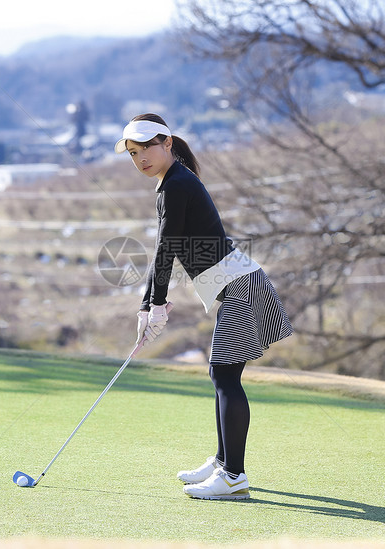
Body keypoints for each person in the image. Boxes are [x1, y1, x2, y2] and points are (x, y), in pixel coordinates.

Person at [115, 113, 293, 500]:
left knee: (224, 376)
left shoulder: (176, 185)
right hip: (239, 285)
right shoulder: (171, 183)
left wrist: (157, 303)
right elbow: (170, 248)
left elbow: (164, 249)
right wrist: (148, 306)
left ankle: (233, 475)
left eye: (147, 147)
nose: (140, 157)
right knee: (221, 375)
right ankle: (222, 461)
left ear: (167, 144)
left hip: (242, 287)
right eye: (132, 152)